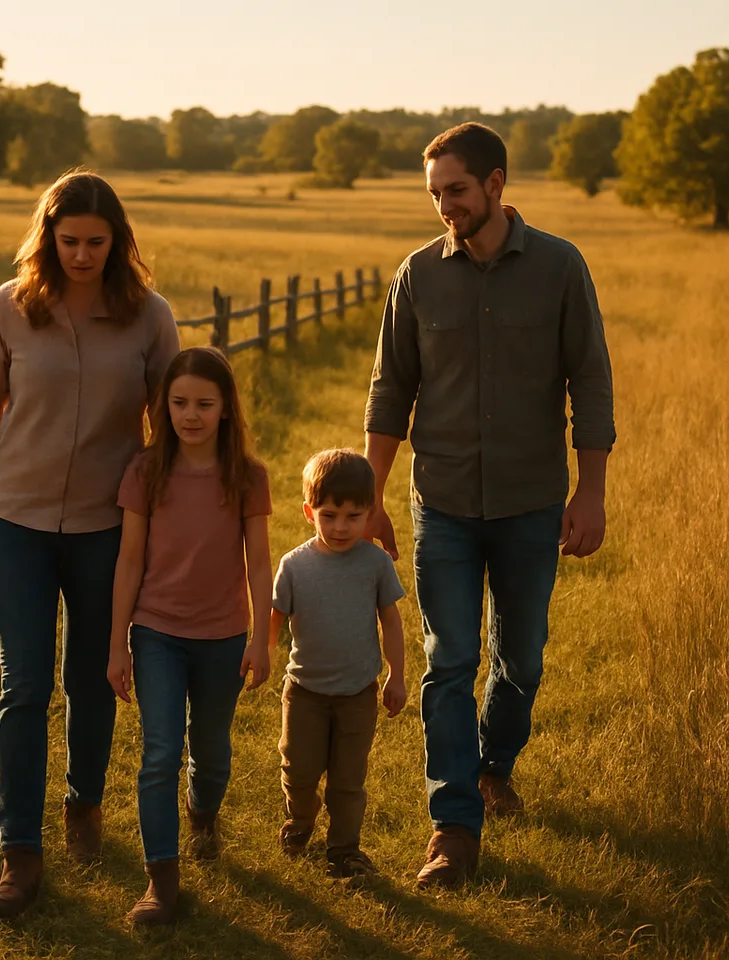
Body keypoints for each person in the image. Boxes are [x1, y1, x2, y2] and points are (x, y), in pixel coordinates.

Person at [364, 123, 617, 889]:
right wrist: (370, 494)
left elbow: (591, 382)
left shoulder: (559, 267)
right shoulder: (417, 275)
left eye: (459, 191)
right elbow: (391, 388)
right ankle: (452, 826)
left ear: (497, 184)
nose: (447, 206)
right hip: (440, 499)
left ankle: (495, 765)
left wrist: (592, 492)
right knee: (449, 660)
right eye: (436, 194)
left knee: (523, 658)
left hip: (530, 501)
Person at [0, 170, 181, 920]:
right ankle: (20, 853)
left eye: (96, 242)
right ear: (47, 237)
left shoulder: (148, 317)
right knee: (24, 685)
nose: (82, 254)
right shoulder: (7, 310)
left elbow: (172, 422)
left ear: (118, 243)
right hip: (14, 520)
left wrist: (170, 517)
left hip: (105, 528)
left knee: (91, 677)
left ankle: (83, 803)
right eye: (69, 240)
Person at [107, 346, 273, 927]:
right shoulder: (145, 472)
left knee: (212, 751)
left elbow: (258, 564)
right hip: (156, 631)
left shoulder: (247, 478)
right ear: (163, 407)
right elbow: (128, 561)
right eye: (179, 403)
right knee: (160, 752)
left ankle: (203, 813)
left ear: (226, 408)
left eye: (204, 403)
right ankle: (162, 881)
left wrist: (261, 639)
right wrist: (116, 643)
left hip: (223, 635)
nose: (191, 414)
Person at [270, 449, 406, 879]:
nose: (341, 527)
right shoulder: (293, 566)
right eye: (329, 515)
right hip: (305, 692)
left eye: (353, 516)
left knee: (348, 781)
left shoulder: (376, 564)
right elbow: (274, 617)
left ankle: (345, 851)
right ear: (309, 512)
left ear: (370, 512)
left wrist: (396, 676)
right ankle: (301, 816)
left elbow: (391, 621)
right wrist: (261, 654)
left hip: (357, 694)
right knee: (298, 768)